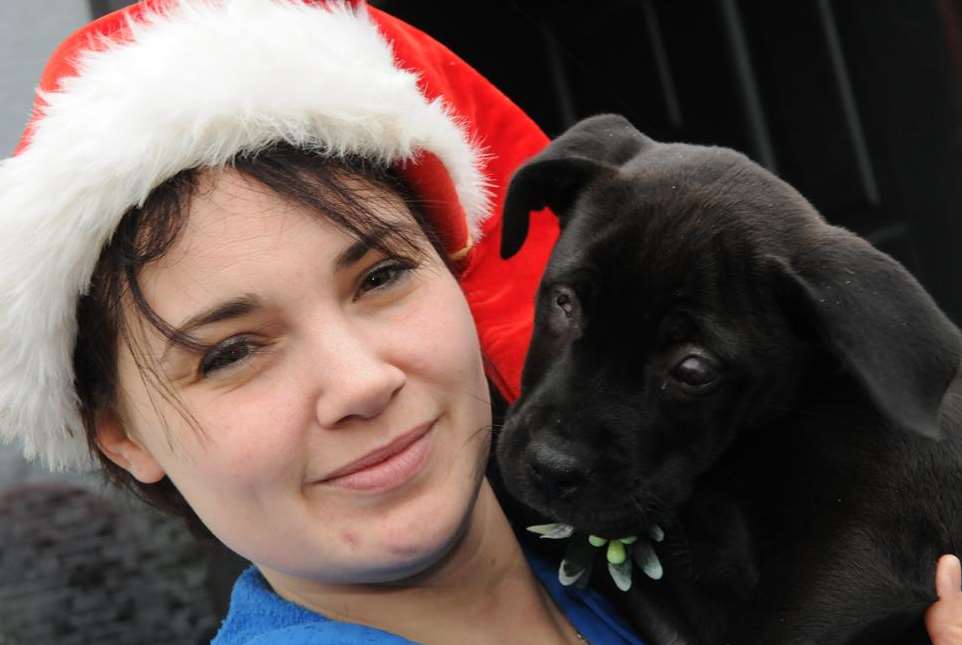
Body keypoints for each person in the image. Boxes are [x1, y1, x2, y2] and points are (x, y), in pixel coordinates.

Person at [0, 1, 957, 643]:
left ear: (460, 272)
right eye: (233, 350)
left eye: (378, 276)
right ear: (118, 432)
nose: (362, 380)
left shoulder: (662, 557)